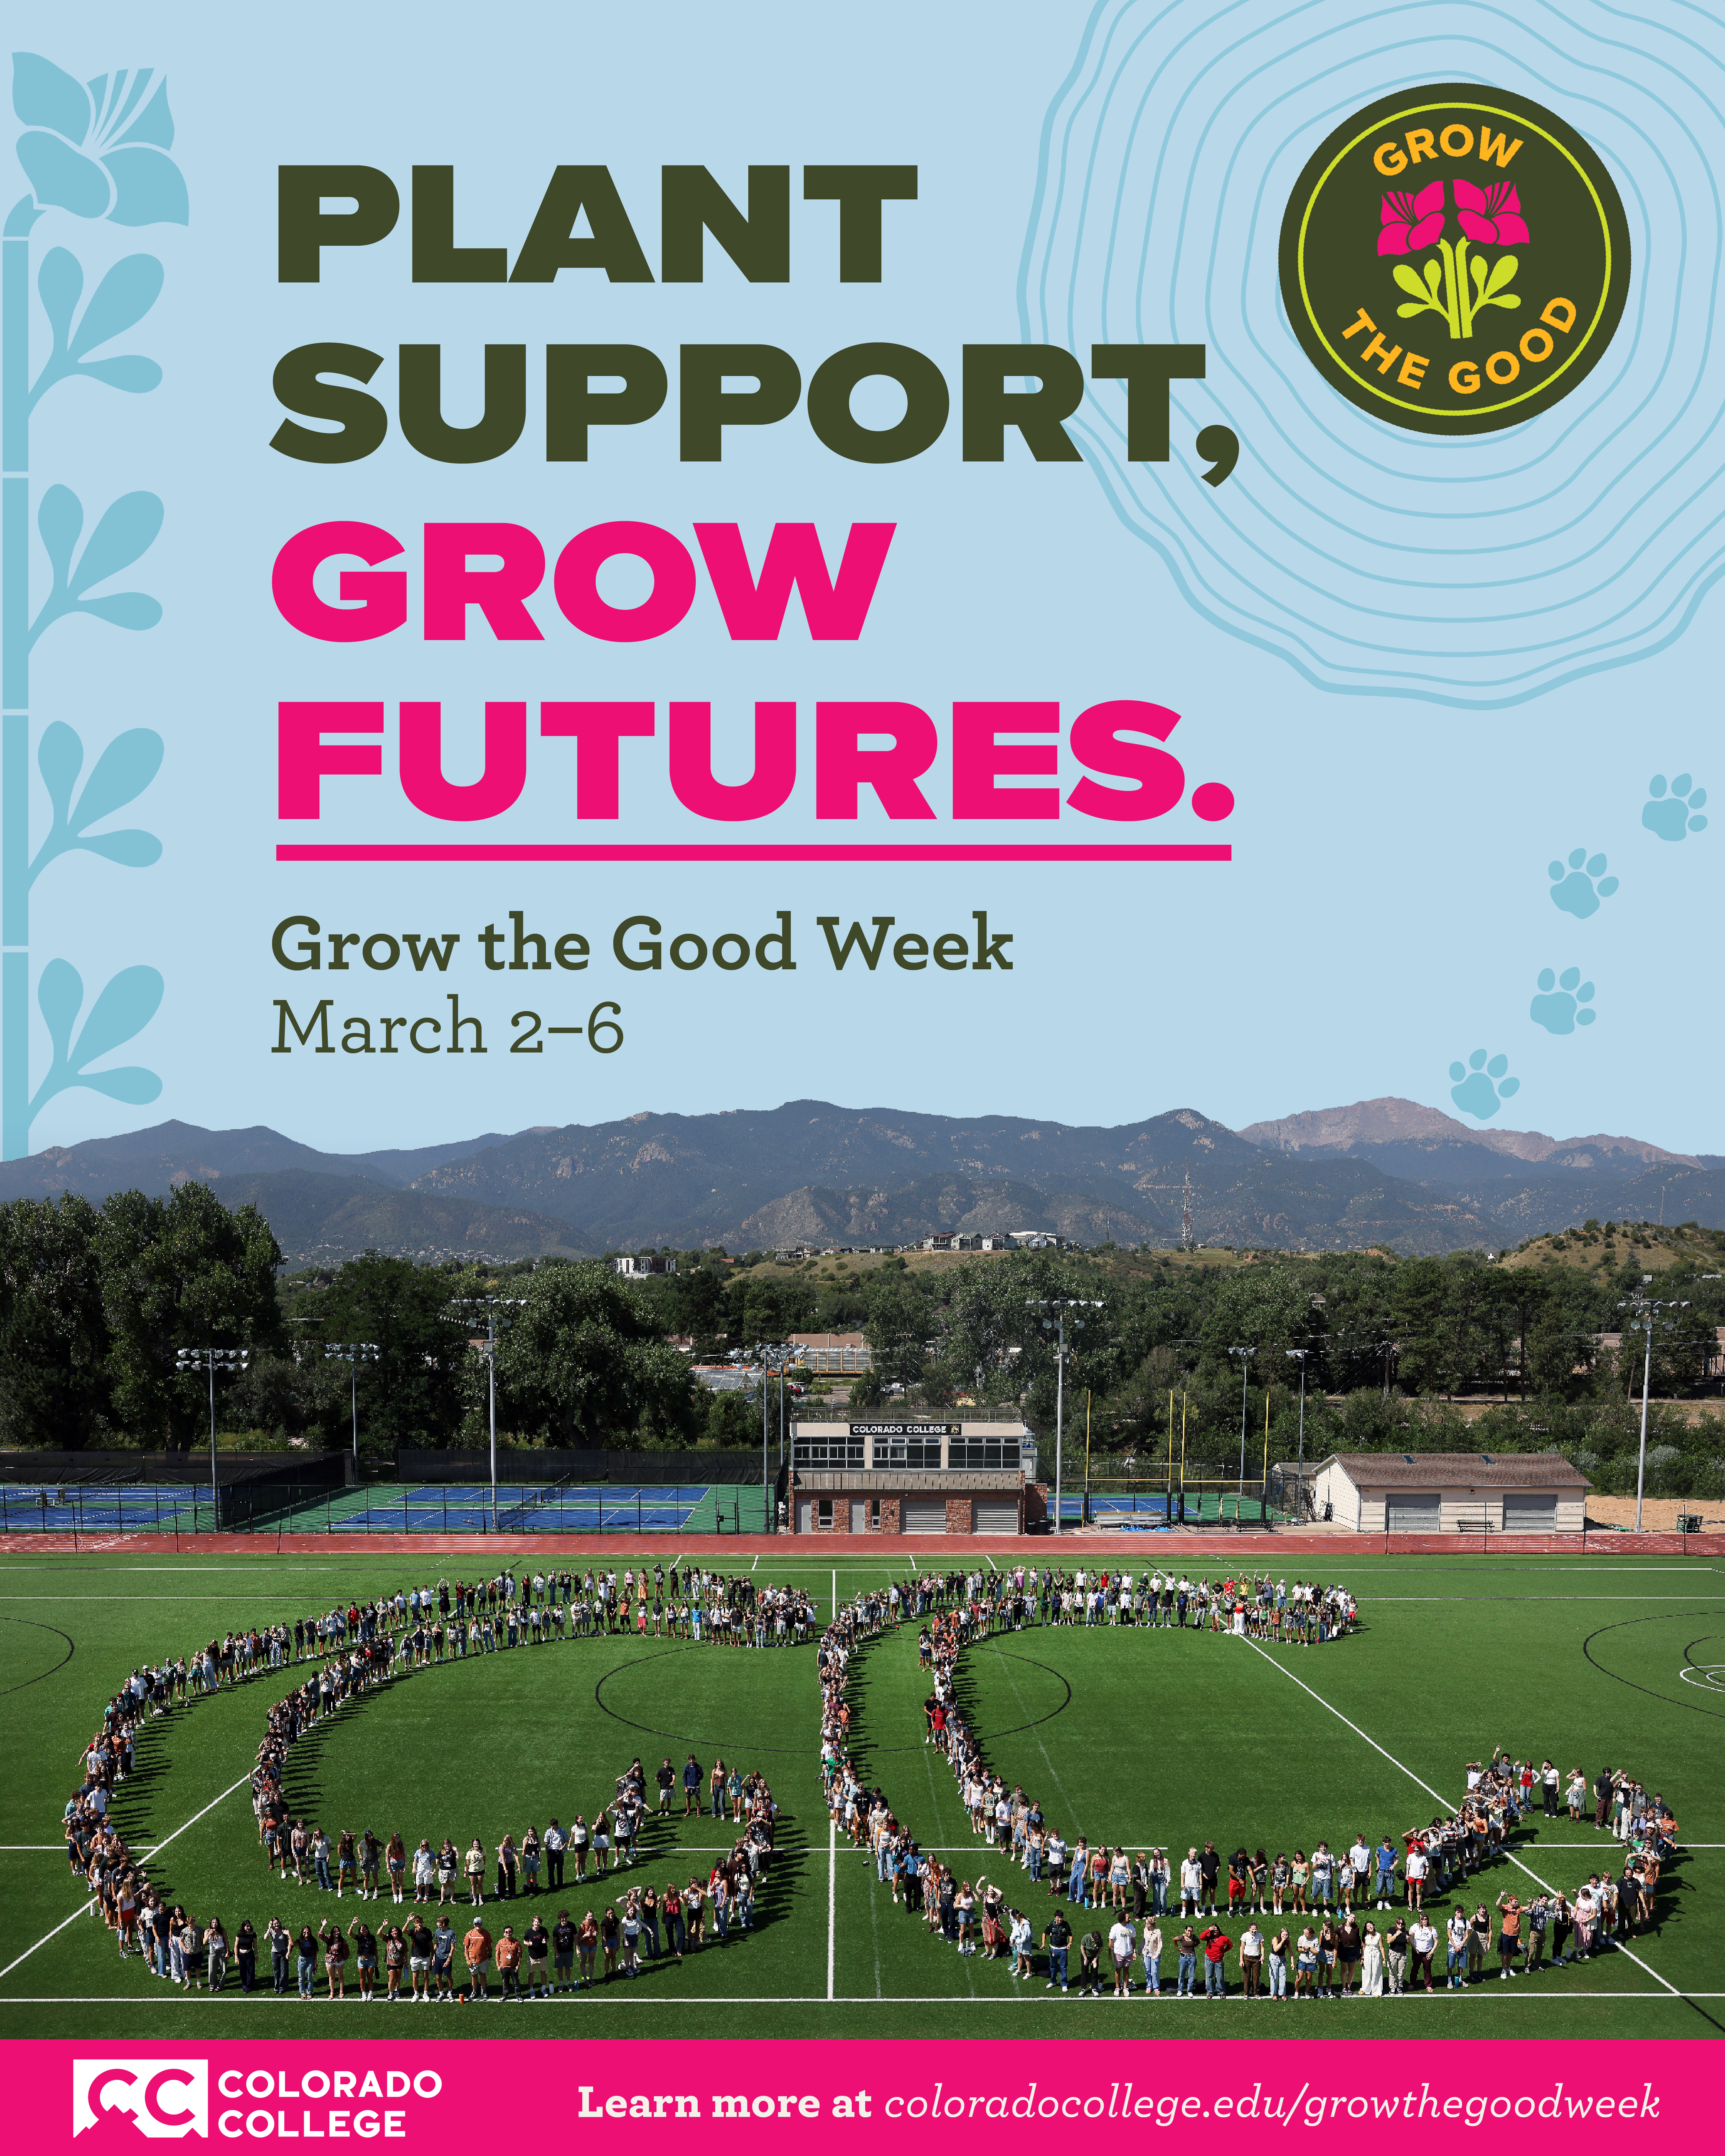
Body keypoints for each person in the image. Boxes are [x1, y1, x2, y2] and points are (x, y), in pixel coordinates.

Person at [463, 1915, 492, 2001]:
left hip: (484, 1959)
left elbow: (489, 1946)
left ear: (481, 1924)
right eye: (476, 1924)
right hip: (473, 1960)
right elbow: (466, 1948)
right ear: (474, 1925)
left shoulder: (486, 1933)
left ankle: (484, 1992)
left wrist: (490, 1954)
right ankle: (474, 1991)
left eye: (479, 1924)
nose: (477, 1926)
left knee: (483, 1975)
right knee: (474, 1976)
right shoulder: (470, 1934)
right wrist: (468, 1960)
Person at [1043, 1909, 1071, 1992]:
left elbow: (1070, 1935)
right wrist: (1043, 1943)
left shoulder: (1066, 1925)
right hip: (1054, 1949)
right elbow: (1045, 1934)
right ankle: (1053, 1981)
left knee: (1063, 1967)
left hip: (1063, 1949)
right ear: (1055, 1918)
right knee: (1053, 1967)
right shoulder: (1051, 1925)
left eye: (1061, 1918)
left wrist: (1070, 1944)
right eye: (1058, 1918)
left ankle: (1064, 1984)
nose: (1060, 1920)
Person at [1108, 1915, 1135, 1995]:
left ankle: (1125, 1988)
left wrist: (1134, 1952)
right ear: (1123, 1920)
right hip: (1118, 1953)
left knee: (1126, 1970)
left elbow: (1133, 1940)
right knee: (1118, 1970)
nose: (1130, 1919)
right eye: (1128, 1918)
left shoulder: (1131, 1927)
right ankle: (1117, 1987)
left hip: (1129, 1953)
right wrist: (1110, 1955)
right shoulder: (1115, 1928)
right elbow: (1111, 1941)